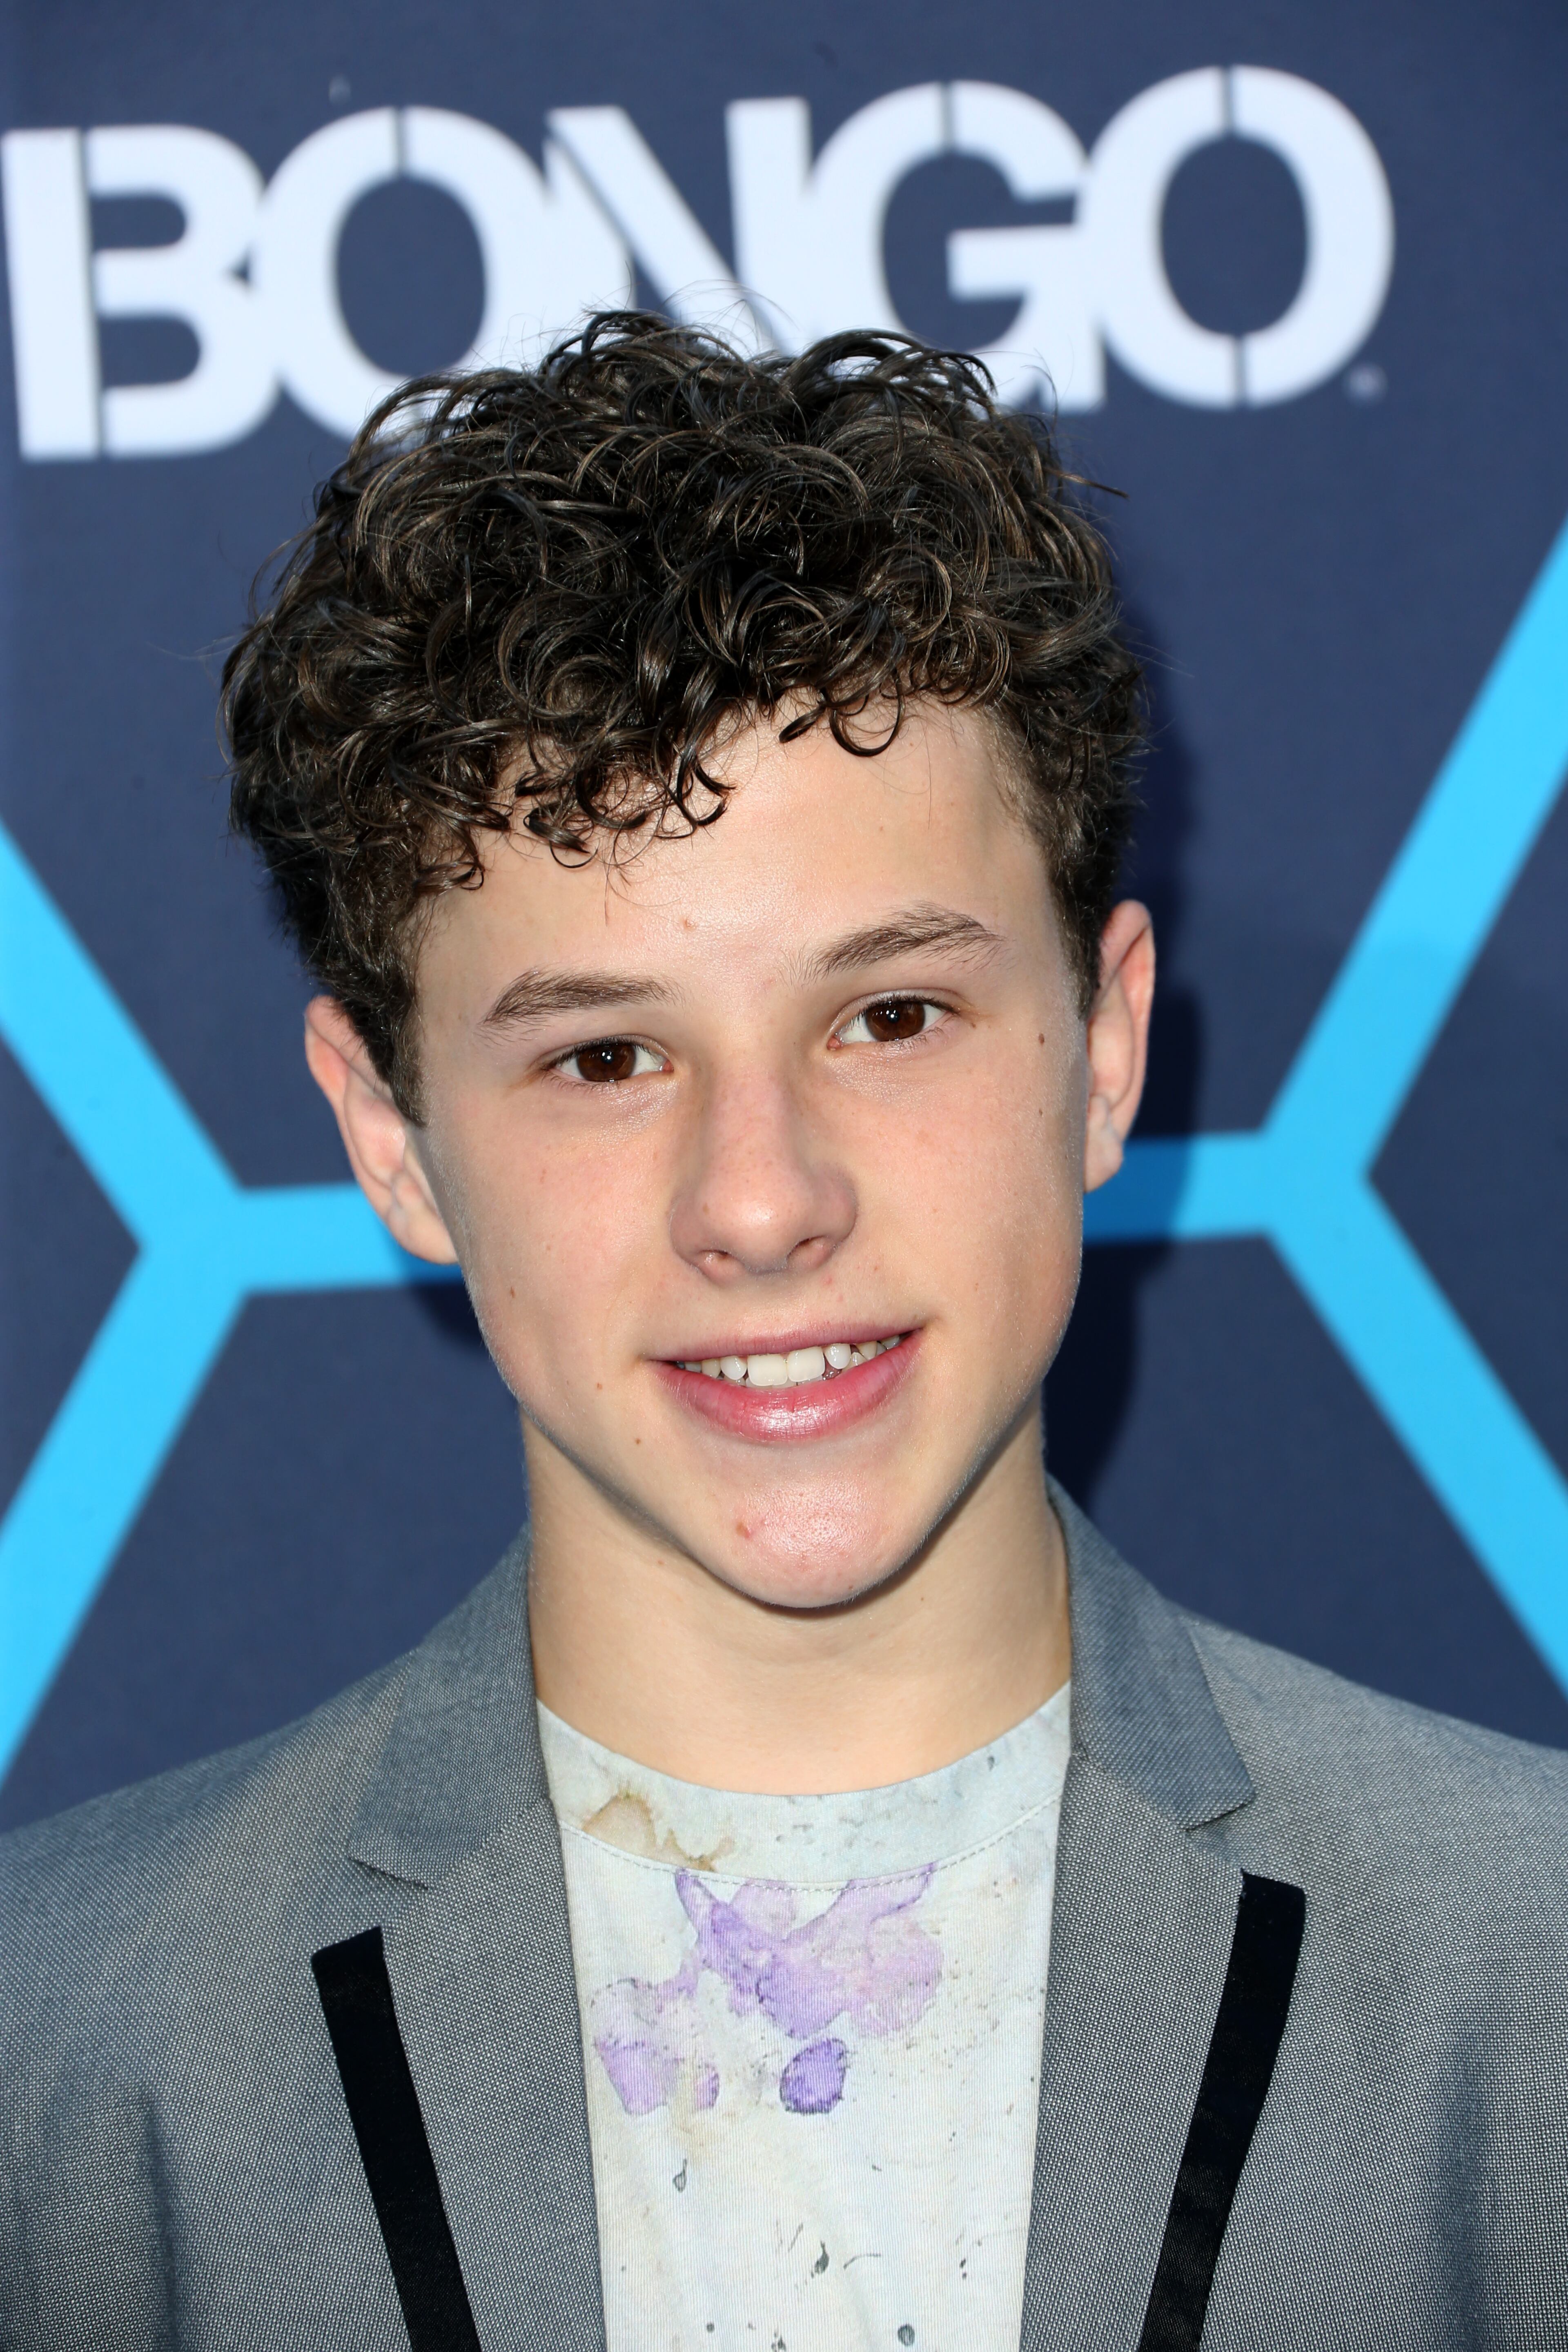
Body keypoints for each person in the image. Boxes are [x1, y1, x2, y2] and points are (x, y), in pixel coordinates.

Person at [4, 315, 1566, 2352]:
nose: (762, 1200)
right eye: (603, 1057)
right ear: (389, 1139)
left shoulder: (1527, 1973)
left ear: (1103, 1051)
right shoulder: (62, 2049)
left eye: (891, 1015)